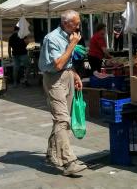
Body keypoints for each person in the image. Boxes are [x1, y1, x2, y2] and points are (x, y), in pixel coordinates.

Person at [38, 10, 86, 176]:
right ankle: (69, 161)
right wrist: (72, 44)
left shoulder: (68, 36)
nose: (79, 26)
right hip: (54, 79)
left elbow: (67, 62)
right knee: (62, 119)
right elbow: (58, 64)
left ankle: (51, 154)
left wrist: (75, 75)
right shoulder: (52, 38)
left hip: (67, 77)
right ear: (66, 23)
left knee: (62, 120)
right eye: (76, 23)